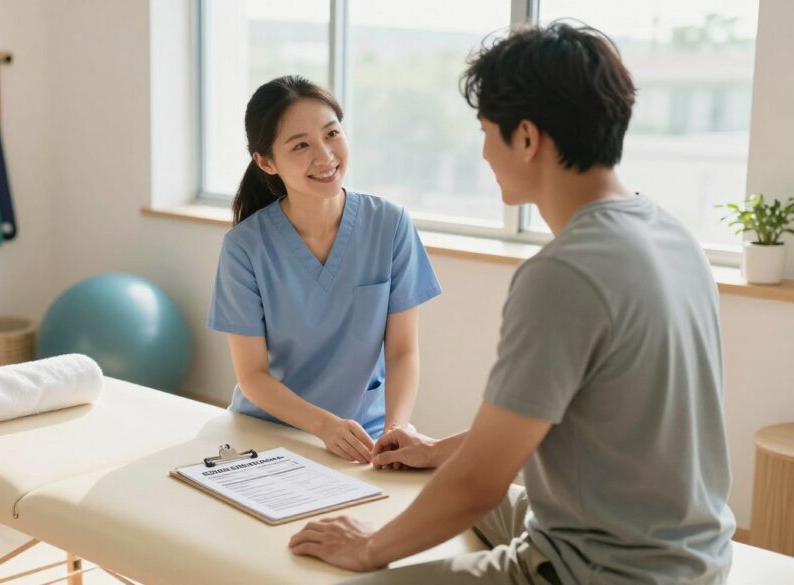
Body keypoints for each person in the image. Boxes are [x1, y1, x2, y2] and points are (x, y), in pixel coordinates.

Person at [288, 22, 736, 584]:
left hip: (607, 572)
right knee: (437, 476)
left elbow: (480, 483)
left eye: (485, 131)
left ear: (525, 138)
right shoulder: (671, 233)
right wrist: (435, 450)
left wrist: (369, 549)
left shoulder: (564, 274)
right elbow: (542, 425)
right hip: (694, 556)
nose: (483, 151)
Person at [208, 75, 442, 464]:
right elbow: (252, 375)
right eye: (300, 145)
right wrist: (324, 426)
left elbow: (402, 351)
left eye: (331, 134)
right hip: (266, 434)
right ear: (266, 162)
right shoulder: (244, 248)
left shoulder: (390, 224)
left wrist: (397, 428)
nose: (325, 156)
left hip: (362, 437)